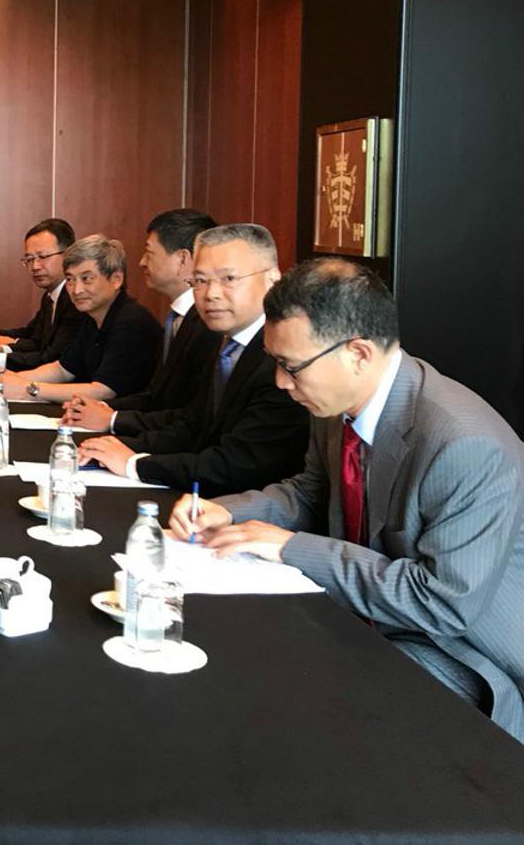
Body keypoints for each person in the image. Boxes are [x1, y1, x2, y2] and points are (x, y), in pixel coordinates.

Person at [170, 259, 524, 741]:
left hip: (458, 648)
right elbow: (312, 492)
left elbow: (441, 604)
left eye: (291, 366)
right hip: (367, 612)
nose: (281, 382)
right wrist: (231, 511)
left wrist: (290, 546)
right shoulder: (334, 403)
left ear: (358, 353)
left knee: (306, 705)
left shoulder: (464, 444)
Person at [74, 224, 309, 493]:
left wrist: (134, 464)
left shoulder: (285, 360)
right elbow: (194, 427)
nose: (211, 294)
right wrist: (116, 447)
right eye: (200, 281)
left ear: (273, 279)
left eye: (229, 278)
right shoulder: (221, 343)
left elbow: (238, 465)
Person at [2, 235, 162, 404]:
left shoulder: (132, 322)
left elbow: (102, 391)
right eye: (70, 280)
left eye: (86, 279)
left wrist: (29, 389)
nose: (76, 290)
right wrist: (9, 380)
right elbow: (62, 370)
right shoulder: (92, 318)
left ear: (116, 280)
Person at [111, 208, 219, 412]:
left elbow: (188, 413)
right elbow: (156, 396)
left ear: (183, 259)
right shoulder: (176, 319)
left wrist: (111, 418)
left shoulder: (209, 324)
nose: (142, 262)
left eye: (149, 253)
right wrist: (104, 409)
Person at [0, 218, 86, 372]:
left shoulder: (76, 299)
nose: (35, 266)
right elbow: (34, 337)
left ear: (68, 255)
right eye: (29, 259)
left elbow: (52, 358)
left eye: (43, 257)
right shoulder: (51, 295)